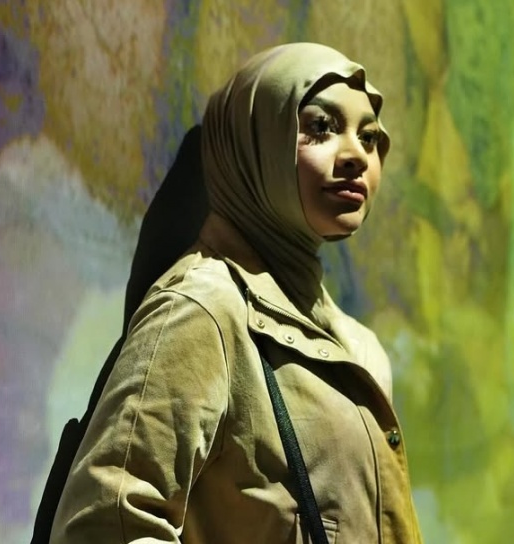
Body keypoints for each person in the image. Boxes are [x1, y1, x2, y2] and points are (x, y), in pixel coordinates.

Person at [48, 42, 423, 544]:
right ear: (256, 142)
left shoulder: (360, 348)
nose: (356, 154)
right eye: (320, 127)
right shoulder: (202, 310)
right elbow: (106, 523)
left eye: (370, 136)